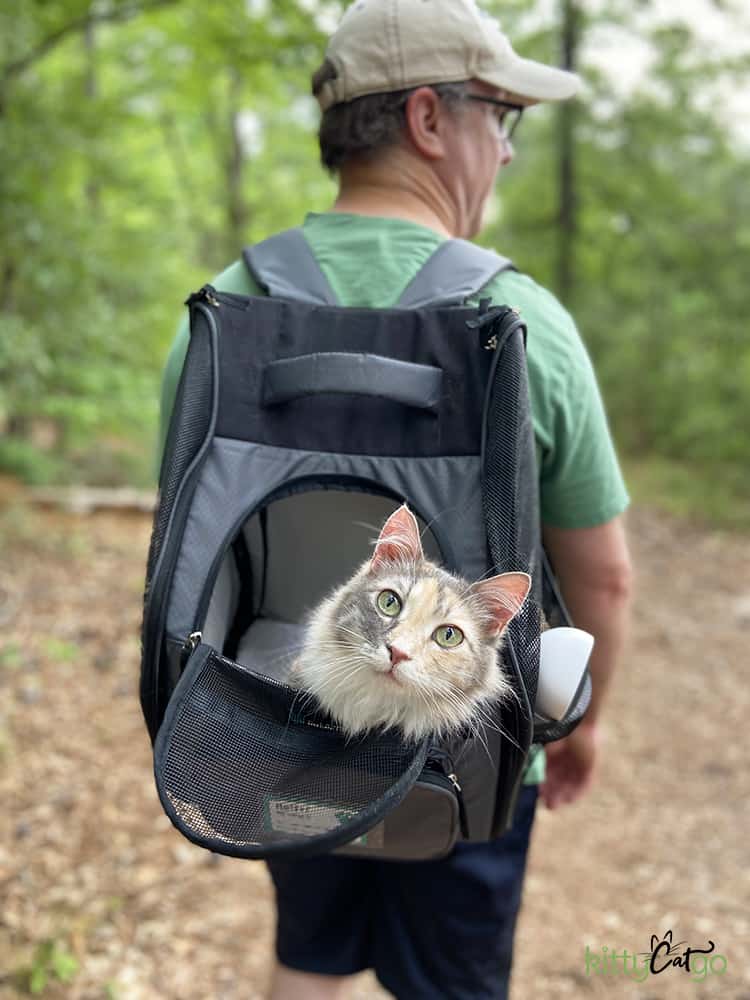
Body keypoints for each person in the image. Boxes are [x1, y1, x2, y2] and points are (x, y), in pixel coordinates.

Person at [159, 2, 633, 997]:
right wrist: (579, 722)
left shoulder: (218, 316)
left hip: (272, 714)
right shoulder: (522, 323)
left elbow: (189, 546)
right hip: (468, 756)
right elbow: (607, 580)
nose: (504, 153)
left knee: (307, 956)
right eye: (500, 117)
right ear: (429, 118)